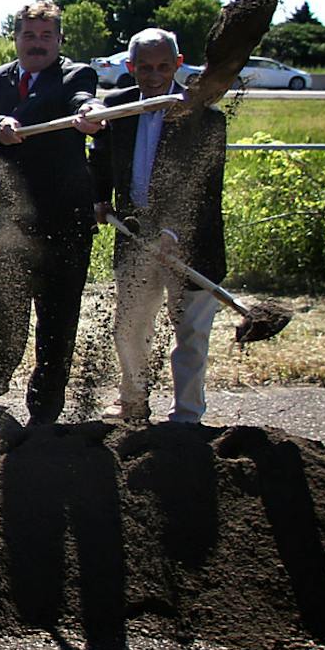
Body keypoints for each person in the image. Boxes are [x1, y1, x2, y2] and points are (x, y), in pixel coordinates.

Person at [0, 0, 104, 424]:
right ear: (16, 37)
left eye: (46, 36)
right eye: (29, 35)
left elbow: (84, 100)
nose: (37, 44)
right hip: (12, 220)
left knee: (57, 317)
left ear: (59, 40)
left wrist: (89, 114)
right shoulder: (0, 78)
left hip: (65, 221)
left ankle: (45, 408)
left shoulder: (75, 76)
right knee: (3, 308)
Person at [87, 27, 227, 424]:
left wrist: (173, 234)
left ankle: (186, 414)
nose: (153, 75)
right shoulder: (117, 109)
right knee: (131, 327)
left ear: (178, 65)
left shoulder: (205, 118)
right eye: (144, 67)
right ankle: (132, 401)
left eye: (163, 66)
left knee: (191, 335)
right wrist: (99, 197)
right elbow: (100, 158)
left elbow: (205, 187)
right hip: (134, 234)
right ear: (130, 67)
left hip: (191, 242)